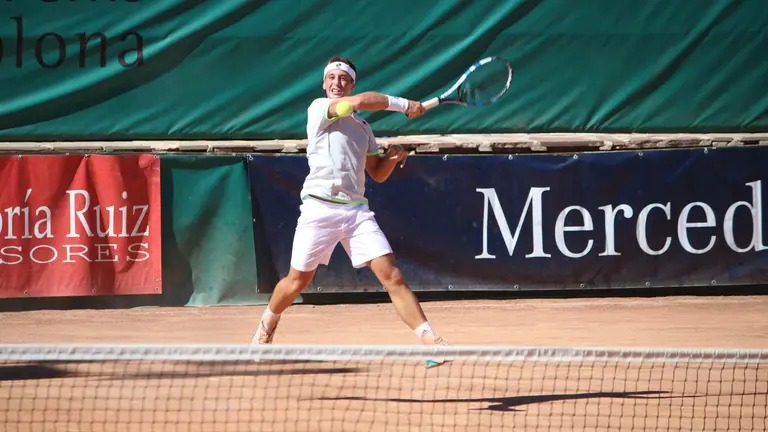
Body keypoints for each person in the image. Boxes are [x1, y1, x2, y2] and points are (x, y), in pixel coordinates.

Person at [251, 56, 448, 363]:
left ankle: (431, 342)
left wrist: (394, 157)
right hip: (318, 209)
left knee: (392, 276)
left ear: (352, 83)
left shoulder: (364, 129)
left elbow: (377, 174)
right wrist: (403, 104)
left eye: (343, 79)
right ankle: (267, 324)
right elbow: (353, 104)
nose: (337, 83)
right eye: (331, 77)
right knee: (296, 282)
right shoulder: (319, 109)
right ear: (324, 83)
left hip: (356, 213)